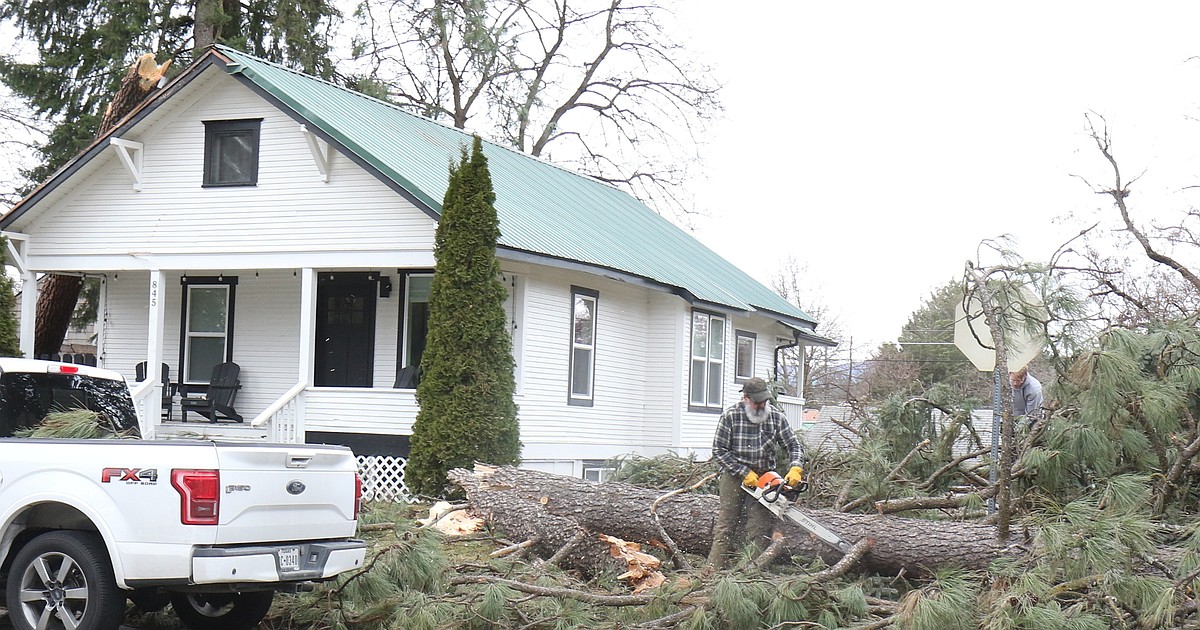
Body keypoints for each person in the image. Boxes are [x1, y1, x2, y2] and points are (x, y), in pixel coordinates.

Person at [707, 377, 805, 569]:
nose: (761, 405)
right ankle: (712, 571)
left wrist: (796, 467)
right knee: (726, 525)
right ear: (746, 398)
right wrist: (743, 472)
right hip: (734, 475)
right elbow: (719, 451)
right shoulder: (731, 416)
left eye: (764, 401)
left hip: (765, 477)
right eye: (757, 401)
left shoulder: (776, 417)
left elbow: (794, 445)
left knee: (758, 529)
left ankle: (750, 574)